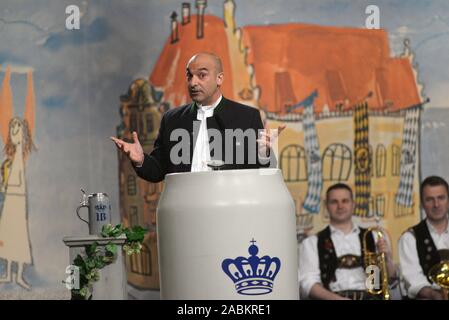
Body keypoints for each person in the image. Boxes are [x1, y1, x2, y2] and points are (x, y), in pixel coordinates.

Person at [111, 52, 284, 182]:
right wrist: (141, 160)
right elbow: (158, 171)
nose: (193, 83)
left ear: (219, 78)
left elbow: (263, 174)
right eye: (189, 76)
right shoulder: (172, 120)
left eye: (202, 75)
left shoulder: (247, 117)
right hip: (185, 213)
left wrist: (265, 153)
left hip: (232, 213)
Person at [299, 183, 397, 300]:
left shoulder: (374, 236)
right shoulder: (312, 243)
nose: (340, 206)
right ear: (326, 206)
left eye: (345, 201)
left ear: (353, 204)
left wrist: (387, 259)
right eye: (334, 202)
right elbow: (308, 284)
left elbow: (391, 281)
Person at [398, 175, 449, 300]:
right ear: (421, 204)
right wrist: (436, 295)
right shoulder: (410, 238)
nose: (436, 204)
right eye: (429, 199)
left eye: (441, 198)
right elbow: (413, 279)